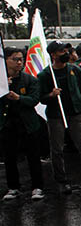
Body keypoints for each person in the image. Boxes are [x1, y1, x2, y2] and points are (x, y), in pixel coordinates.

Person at [38, 41, 81, 194]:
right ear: (53, 55)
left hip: (75, 114)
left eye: (67, 50)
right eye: (62, 51)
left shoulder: (74, 70)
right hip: (56, 116)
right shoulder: (45, 75)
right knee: (57, 150)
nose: (66, 54)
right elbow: (41, 98)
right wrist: (51, 95)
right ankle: (62, 181)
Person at [2, 47, 45, 201]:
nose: (19, 62)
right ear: (5, 60)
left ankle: (37, 187)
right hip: (8, 124)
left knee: (33, 156)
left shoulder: (29, 80)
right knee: (10, 157)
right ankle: (13, 187)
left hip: (28, 124)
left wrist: (19, 98)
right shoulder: (2, 81)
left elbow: (34, 99)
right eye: (15, 59)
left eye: (21, 59)